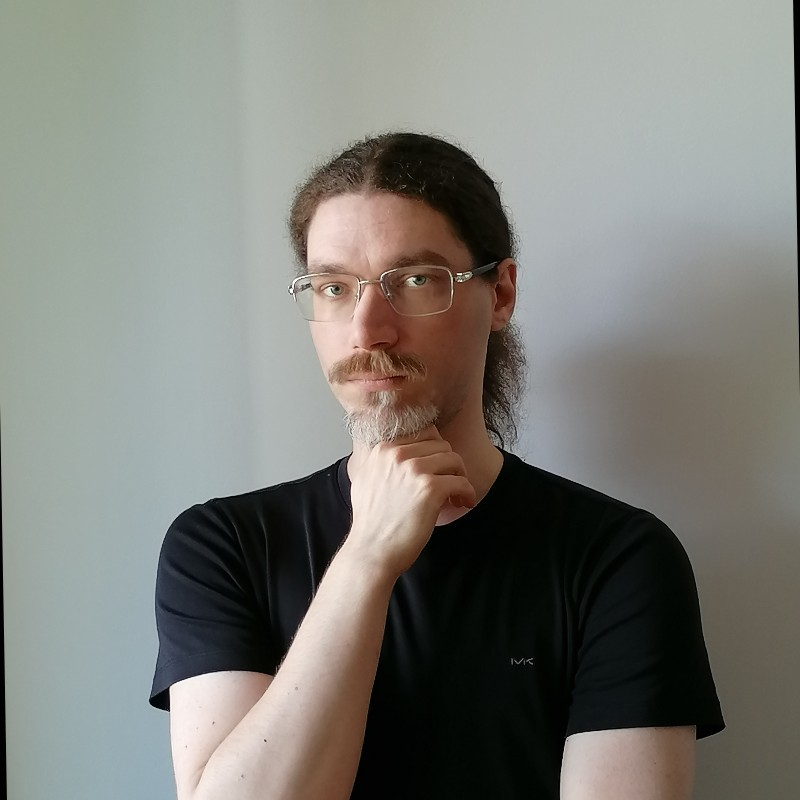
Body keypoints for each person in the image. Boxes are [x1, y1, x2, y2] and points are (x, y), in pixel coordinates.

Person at [150, 132, 724, 799]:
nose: (367, 329)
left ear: (500, 294)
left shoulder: (618, 560)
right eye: (333, 287)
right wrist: (367, 559)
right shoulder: (221, 548)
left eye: (415, 280)